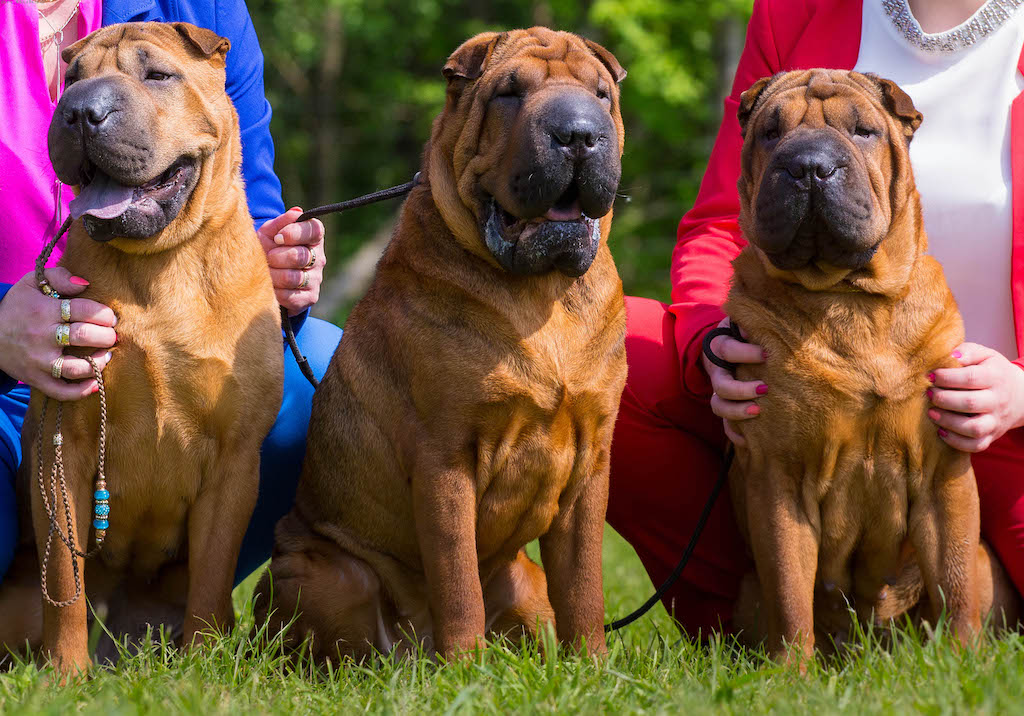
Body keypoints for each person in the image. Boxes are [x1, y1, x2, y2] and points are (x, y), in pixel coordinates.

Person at [606, 0, 1024, 636]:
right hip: (792, 378)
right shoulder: (793, 14)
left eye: (859, 133)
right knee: (622, 348)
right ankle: (773, 622)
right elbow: (719, 222)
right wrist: (710, 344)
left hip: (998, 430)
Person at [0, 0, 343, 585]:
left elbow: (249, 190)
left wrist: (277, 264)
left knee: (334, 383)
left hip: (193, 342)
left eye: (156, 75)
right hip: (6, 388)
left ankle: (181, 601)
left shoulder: (202, 10)